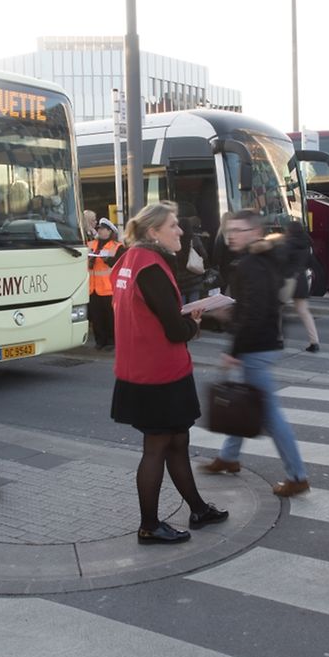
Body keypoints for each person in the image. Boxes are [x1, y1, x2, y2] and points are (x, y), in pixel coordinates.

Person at [110, 202, 227, 544]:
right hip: (160, 372)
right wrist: (193, 323)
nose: (180, 231)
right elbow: (174, 329)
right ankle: (149, 525)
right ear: (153, 232)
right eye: (174, 226)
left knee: (176, 441)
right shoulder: (153, 267)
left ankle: (198, 508)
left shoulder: (128, 261)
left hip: (139, 368)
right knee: (157, 447)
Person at [201, 210, 311, 497]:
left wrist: (233, 346)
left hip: (256, 345)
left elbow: (255, 311)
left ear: (255, 232)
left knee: (269, 413)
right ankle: (229, 457)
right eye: (229, 230)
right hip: (264, 341)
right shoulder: (263, 258)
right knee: (244, 401)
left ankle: (298, 475)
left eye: (238, 230)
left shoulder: (251, 263)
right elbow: (259, 305)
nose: (231, 235)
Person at [283, 220, 320, 352]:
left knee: (276, 308)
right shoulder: (306, 244)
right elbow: (312, 263)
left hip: (288, 279)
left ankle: (278, 339)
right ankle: (314, 342)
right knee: (304, 312)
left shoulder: (288, 244)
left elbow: (282, 261)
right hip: (302, 278)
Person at [88, 218, 124, 350]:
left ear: (110, 231)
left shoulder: (117, 246)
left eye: (103, 229)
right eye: (99, 229)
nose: (100, 231)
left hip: (109, 288)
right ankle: (100, 341)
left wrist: (108, 260)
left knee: (110, 317)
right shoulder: (91, 244)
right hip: (93, 288)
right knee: (96, 317)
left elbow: (119, 264)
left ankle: (111, 341)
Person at [173, 216, 207, 304]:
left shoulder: (174, 240)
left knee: (182, 307)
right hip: (194, 278)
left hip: (180, 280)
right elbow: (204, 255)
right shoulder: (195, 239)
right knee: (195, 306)